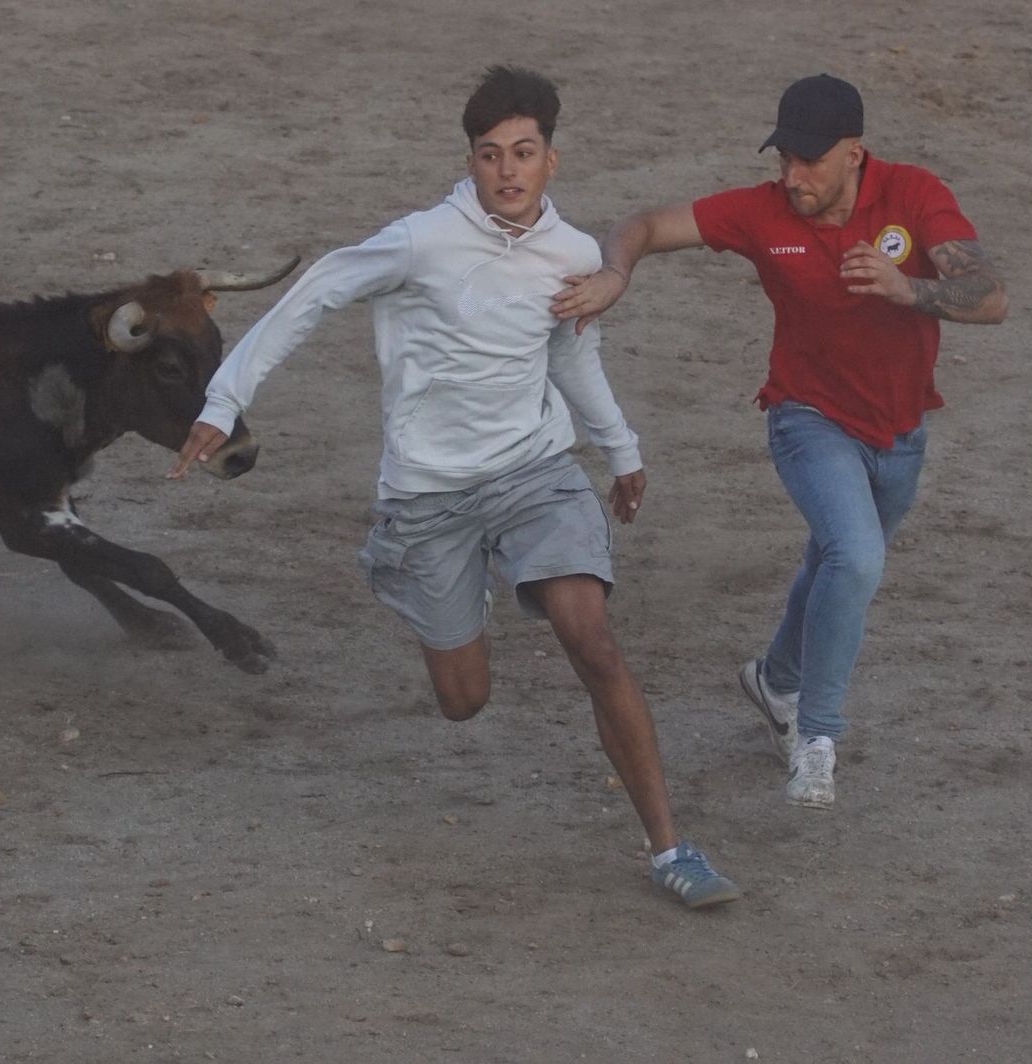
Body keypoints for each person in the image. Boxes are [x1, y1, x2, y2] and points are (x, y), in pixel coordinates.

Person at [167, 66, 739, 908]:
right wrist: (225, 399)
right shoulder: (421, 242)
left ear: (552, 160)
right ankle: (410, 569)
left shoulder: (576, 254)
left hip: (533, 473)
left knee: (593, 636)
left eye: (523, 153)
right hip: (429, 497)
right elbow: (315, 295)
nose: (507, 171)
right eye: (489, 155)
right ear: (470, 164)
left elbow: (572, 353)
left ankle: (671, 849)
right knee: (463, 700)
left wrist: (621, 449)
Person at [551, 73, 1007, 810]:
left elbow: (992, 294)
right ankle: (816, 737)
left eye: (810, 162)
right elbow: (645, 224)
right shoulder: (761, 215)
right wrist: (614, 272)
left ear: (855, 153)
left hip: (900, 433)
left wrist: (908, 290)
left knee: (836, 561)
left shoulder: (915, 196)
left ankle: (775, 679)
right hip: (807, 419)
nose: (792, 178)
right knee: (856, 558)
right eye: (784, 159)